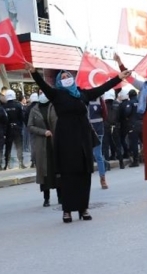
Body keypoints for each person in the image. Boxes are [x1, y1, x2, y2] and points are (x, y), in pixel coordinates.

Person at [27, 64, 129, 223]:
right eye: (63, 77)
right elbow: (43, 86)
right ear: (59, 81)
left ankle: (83, 208)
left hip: (83, 138)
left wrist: (119, 78)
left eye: (68, 76)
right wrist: (34, 73)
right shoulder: (57, 94)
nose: (66, 78)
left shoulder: (82, 94)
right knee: (68, 175)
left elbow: (102, 88)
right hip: (66, 139)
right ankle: (67, 210)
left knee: (84, 174)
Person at [27, 92, 58, 206]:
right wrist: (43, 132)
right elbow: (30, 126)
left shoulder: (54, 106)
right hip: (41, 144)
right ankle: (46, 198)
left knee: (57, 169)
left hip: (54, 142)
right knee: (44, 171)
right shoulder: (34, 110)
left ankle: (61, 196)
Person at [88, 95, 109, 189]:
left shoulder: (100, 99)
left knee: (98, 155)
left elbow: (105, 114)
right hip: (87, 130)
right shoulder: (84, 98)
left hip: (98, 130)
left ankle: (103, 178)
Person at [3, 89, 26, 169]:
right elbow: (22, 117)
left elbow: (2, 120)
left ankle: (7, 164)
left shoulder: (4, 106)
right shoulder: (18, 105)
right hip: (17, 128)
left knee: (8, 147)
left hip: (8, 129)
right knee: (19, 145)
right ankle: (21, 163)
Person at [119, 89, 142, 168]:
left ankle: (136, 161)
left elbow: (127, 112)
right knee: (145, 142)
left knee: (134, 143)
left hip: (133, 125)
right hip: (142, 123)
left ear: (129, 96)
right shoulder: (140, 101)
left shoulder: (130, 103)